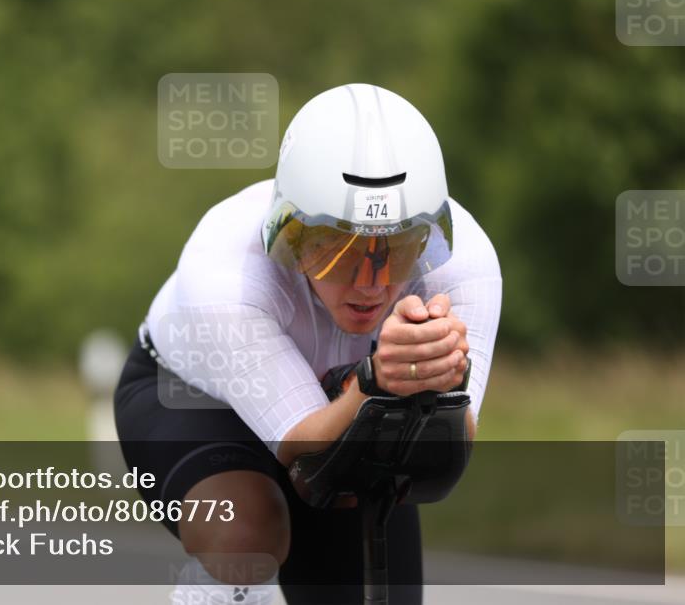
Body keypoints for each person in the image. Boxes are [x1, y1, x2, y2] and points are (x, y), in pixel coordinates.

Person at [114, 84, 502, 604]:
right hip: (194, 397)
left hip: (353, 404)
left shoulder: (462, 264)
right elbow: (298, 448)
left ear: (430, 237)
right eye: (339, 252)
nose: (371, 283)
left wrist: (442, 383)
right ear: (291, 236)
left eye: (399, 249)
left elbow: (444, 460)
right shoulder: (227, 269)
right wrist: (378, 381)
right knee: (249, 534)